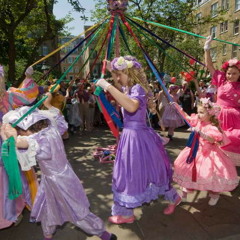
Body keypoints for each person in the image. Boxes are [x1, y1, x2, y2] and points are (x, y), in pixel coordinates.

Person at [1, 92, 117, 240]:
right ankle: (47, 235)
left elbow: (20, 143)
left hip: (60, 181)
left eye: (21, 131)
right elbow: (58, 117)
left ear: (27, 129)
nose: (21, 134)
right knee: (48, 208)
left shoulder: (38, 140)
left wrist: (10, 136)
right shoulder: (52, 129)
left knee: (76, 212)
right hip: (56, 178)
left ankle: (103, 233)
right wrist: (48, 103)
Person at [96, 56, 181, 224]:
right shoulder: (129, 89)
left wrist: (108, 86)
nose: (118, 79)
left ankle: (173, 198)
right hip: (129, 137)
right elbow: (122, 94)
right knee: (129, 174)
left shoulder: (138, 89)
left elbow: (132, 106)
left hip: (138, 138)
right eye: (116, 75)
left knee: (145, 172)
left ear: (129, 72)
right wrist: (110, 77)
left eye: (120, 74)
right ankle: (127, 213)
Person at [173, 98, 239, 206]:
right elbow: (188, 118)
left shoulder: (212, 127)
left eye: (201, 112)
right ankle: (183, 193)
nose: (198, 114)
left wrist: (202, 134)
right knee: (189, 173)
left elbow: (214, 140)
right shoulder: (198, 121)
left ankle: (214, 194)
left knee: (211, 176)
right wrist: (178, 108)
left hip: (209, 154)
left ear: (210, 114)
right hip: (195, 151)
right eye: (198, 111)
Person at [0, 65, 38, 229]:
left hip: (6, 141)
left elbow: (26, 96)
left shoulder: (7, 96)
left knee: (9, 174)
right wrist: (27, 77)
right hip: (6, 141)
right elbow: (27, 95)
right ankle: (11, 213)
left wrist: (27, 77)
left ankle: (11, 213)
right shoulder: (7, 96)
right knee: (9, 174)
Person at [204, 35, 240, 164]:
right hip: (218, 116)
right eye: (229, 73)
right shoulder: (221, 80)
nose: (231, 76)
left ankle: (231, 169)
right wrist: (207, 48)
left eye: (234, 73)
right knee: (215, 139)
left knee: (233, 139)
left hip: (235, 118)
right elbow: (209, 66)